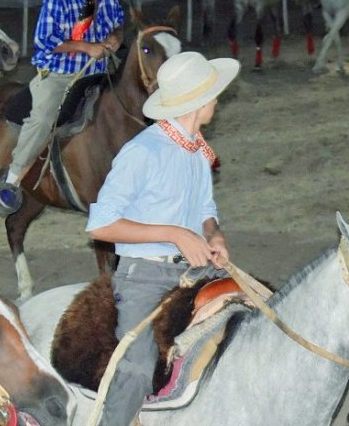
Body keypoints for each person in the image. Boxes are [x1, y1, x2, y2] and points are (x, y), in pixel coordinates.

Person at [86, 50, 239, 426]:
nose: (218, 100)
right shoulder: (142, 151)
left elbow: (205, 208)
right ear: (199, 102)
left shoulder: (197, 151)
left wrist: (212, 235)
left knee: (248, 324)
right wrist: (172, 233)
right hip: (143, 276)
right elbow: (101, 226)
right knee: (138, 367)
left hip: (195, 269)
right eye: (214, 94)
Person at [0, 0, 130, 216]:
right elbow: (45, 40)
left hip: (97, 72)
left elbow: (119, 26)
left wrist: (115, 38)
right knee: (42, 118)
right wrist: (86, 47)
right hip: (59, 73)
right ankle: (12, 180)